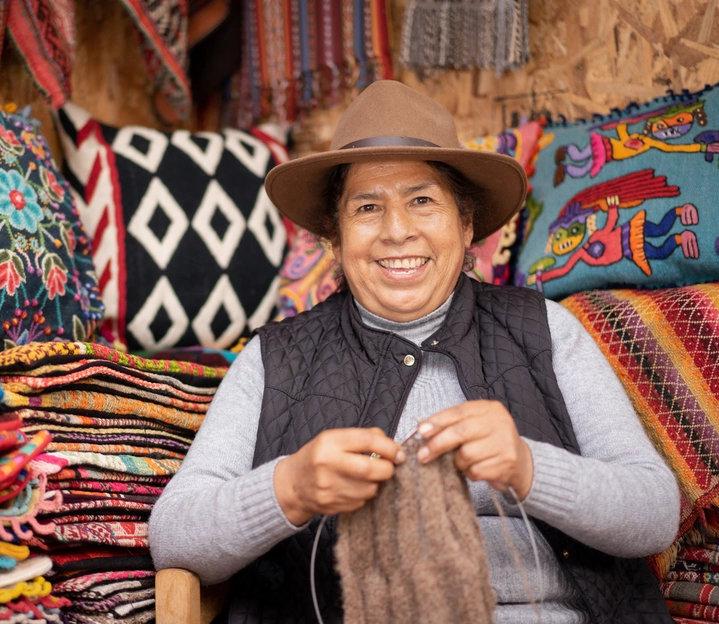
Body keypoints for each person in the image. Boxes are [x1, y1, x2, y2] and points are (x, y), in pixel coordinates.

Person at [149, 81, 680, 623]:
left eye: (422, 200)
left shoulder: (544, 330)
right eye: (366, 208)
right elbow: (175, 535)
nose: (396, 231)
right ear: (335, 236)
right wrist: (290, 488)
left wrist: (528, 467)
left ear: (465, 223)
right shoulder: (275, 359)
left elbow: (655, 511)